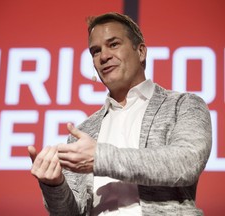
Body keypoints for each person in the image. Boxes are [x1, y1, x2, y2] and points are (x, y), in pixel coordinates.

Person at [28, 12, 212, 216]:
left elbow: (186, 163)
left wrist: (101, 158)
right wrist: (54, 185)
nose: (104, 56)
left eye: (113, 44)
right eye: (95, 51)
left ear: (141, 51)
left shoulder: (182, 105)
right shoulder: (83, 132)